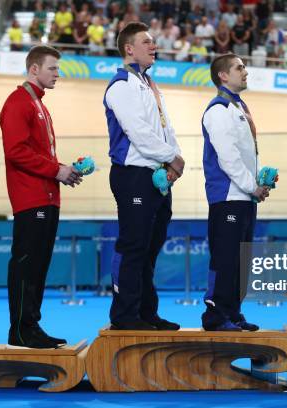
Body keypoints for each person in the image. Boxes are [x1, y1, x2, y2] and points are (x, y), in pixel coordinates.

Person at [0, 45, 82, 349]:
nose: (57, 74)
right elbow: (16, 151)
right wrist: (56, 170)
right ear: (34, 69)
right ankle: (20, 329)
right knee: (26, 264)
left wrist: (62, 171)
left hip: (47, 196)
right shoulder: (18, 102)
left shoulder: (39, 105)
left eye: (58, 69)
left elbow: (37, 153)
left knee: (39, 266)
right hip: (30, 197)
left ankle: (30, 326)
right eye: (53, 68)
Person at [103, 22, 183, 331]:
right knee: (133, 246)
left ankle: (147, 312)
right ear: (128, 49)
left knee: (150, 250)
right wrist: (171, 157)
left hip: (158, 175)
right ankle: (124, 316)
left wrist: (173, 162)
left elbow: (166, 128)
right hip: (133, 174)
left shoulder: (150, 84)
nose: (154, 46)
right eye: (146, 42)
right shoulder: (121, 85)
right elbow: (138, 132)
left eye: (153, 41)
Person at [200, 54, 268, 332]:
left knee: (240, 264)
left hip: (245, 198)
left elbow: (245, 154)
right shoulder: (218, 109)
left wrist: (257, 185)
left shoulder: (239, 107)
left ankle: (232, 313)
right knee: (225, 260)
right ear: (223, 76)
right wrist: (252, 186)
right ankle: (215, 316)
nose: (245, 71)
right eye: (239, 68)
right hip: (227, 198)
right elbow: (228, 158)